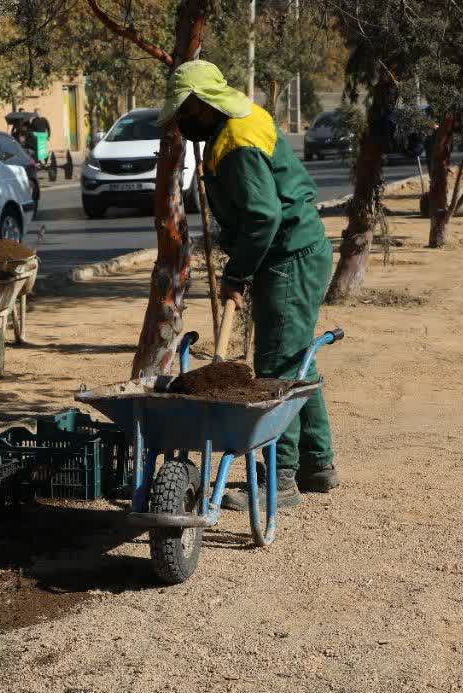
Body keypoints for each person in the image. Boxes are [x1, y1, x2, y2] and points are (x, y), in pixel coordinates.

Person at [158, 59, 339, 509]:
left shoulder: (237, 141)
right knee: (297, 359)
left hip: (289, 257)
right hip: (295, 251)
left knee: (277, 366)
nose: (182, 122)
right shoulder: (239, 121)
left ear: (203, 103)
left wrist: (237, 273)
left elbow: (263, 216)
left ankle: (283, 478)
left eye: (185, 112)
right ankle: (318, 463)